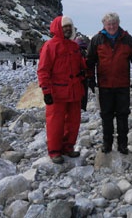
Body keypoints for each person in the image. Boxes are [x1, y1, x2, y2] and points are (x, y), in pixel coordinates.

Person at [86, 12, 132, 154]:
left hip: (122, 85)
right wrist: (90, 78)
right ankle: (107, 144)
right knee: (106, 115)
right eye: (108, 24)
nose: (111, 26)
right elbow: (90, 60)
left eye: (114, 23)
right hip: (104, 85)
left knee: (123, 115)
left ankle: (123, 144)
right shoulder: (97, 40)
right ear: (104, 25)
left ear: (118, 24)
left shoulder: (127, 39)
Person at [37, 15, 87, 164]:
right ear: (57, 27)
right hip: (57, 92)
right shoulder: (50, 46)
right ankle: (54, 151)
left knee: (73, 121)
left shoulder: (74, 46)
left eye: (69, 26)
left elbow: (81, 67)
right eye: (64, 26)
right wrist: (46, 91)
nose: (67, 29)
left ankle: (68, 147)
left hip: (74, 91)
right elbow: (43, 70)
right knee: (55, 122)